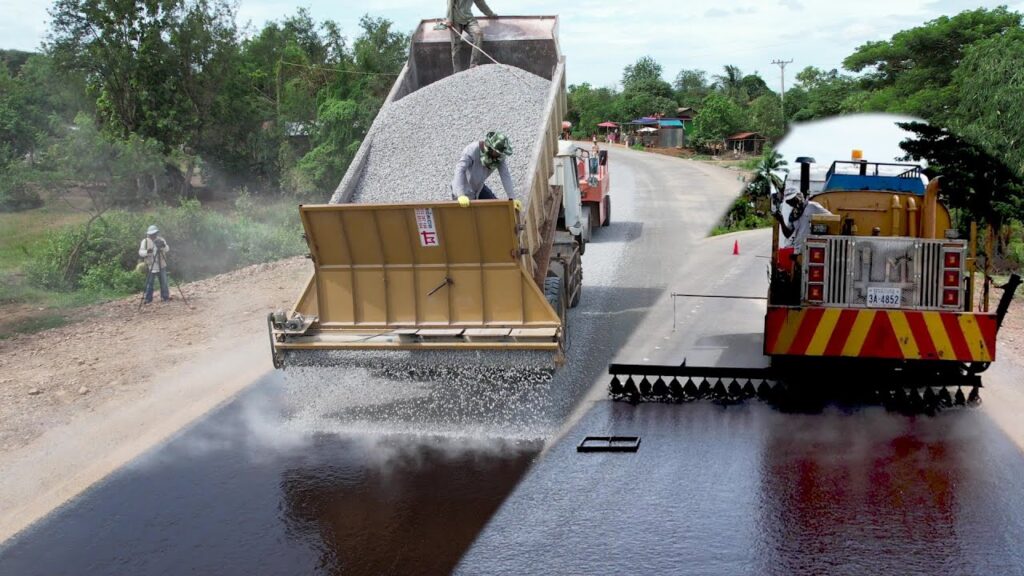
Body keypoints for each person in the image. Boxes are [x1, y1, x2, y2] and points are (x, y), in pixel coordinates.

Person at [451, 131, 521, 210]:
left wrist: (512, 198)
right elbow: (460, 169)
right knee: (469, 215)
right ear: (491, 148)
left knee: (497, 209)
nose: (499, 155)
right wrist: (460, 194)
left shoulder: (499, 157)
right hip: (463, 190)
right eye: (497, 153)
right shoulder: (472, 150)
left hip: (479, 188)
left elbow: (505, 175)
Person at [447, 0, 497, 72]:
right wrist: (449, 19)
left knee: (478, 34)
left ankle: (473, 66)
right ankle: (457, 72)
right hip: (455, 19)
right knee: (455, 45)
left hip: (468, 18)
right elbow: (450, 3)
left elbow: (481, 4)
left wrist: (490, 14)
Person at [139, 224, 171, 303]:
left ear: (156, 233)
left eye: (154, 234)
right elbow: (140, 252)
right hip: (151, 265)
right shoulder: (145, 241)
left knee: (164, 282)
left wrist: (164, 245)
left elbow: (167, 249)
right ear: (148, 234)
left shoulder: (161, 240)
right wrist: (147, 252)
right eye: (151, 234)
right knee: (150, 283)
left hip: (161, 264)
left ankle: (165, 297)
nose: (153, 235)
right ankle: (148, 299)